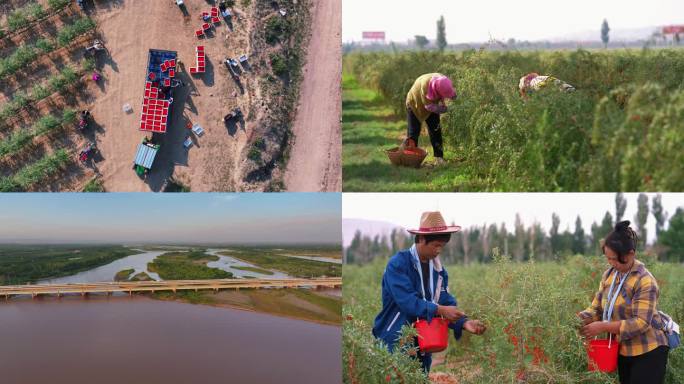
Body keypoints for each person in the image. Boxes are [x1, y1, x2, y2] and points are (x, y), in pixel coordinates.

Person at [372, 211, 487, 373]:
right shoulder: (398, 265)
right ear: (421, 240)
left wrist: (464, 323)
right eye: (436, 245)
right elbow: (408, 302)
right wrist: (440, 309)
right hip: (395, 341)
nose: (439, 250)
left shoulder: (438, 271)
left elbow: (446, 303)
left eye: (442, 246)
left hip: (424, 344)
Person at [578, 221, 670, 384]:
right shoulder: (609, 275)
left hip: (649, 351)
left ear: (630, 254)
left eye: (615, 259)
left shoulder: (645, 281)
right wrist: (577, 319)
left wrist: (603, 326)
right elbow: (596, 308)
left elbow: (641, 322)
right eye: (608, 259)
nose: (612, 263)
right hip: (623, 350)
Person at [405, 74, 457, 165]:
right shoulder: (425, 85)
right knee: (413, 133)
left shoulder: (444, 81)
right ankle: (410, 160)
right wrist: (447, 109)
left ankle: (439, 158)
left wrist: (455, 102)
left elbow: (452, 94)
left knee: (435, 130)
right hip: (415, 104)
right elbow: (430, 107)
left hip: (432, 104)